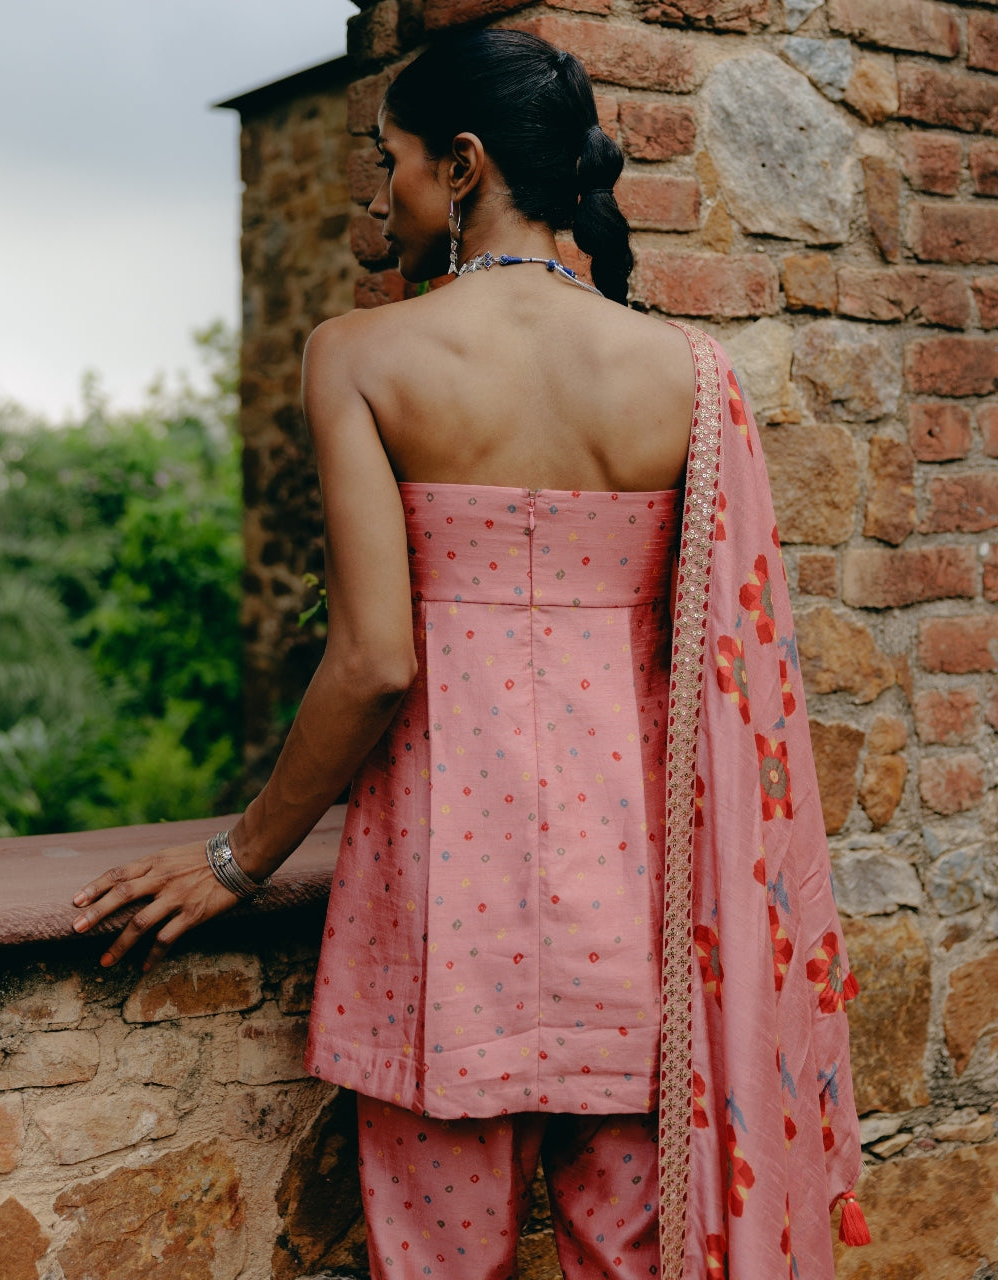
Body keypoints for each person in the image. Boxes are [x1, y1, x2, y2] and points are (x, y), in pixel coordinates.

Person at [72, 28, 867, 1280]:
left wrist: (239, 858)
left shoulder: (363, 354)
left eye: (386, 161)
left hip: (440, 926)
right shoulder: (691, 377)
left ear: (460, 165)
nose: (375, 194)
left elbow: (376, 657)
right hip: (638, 925)